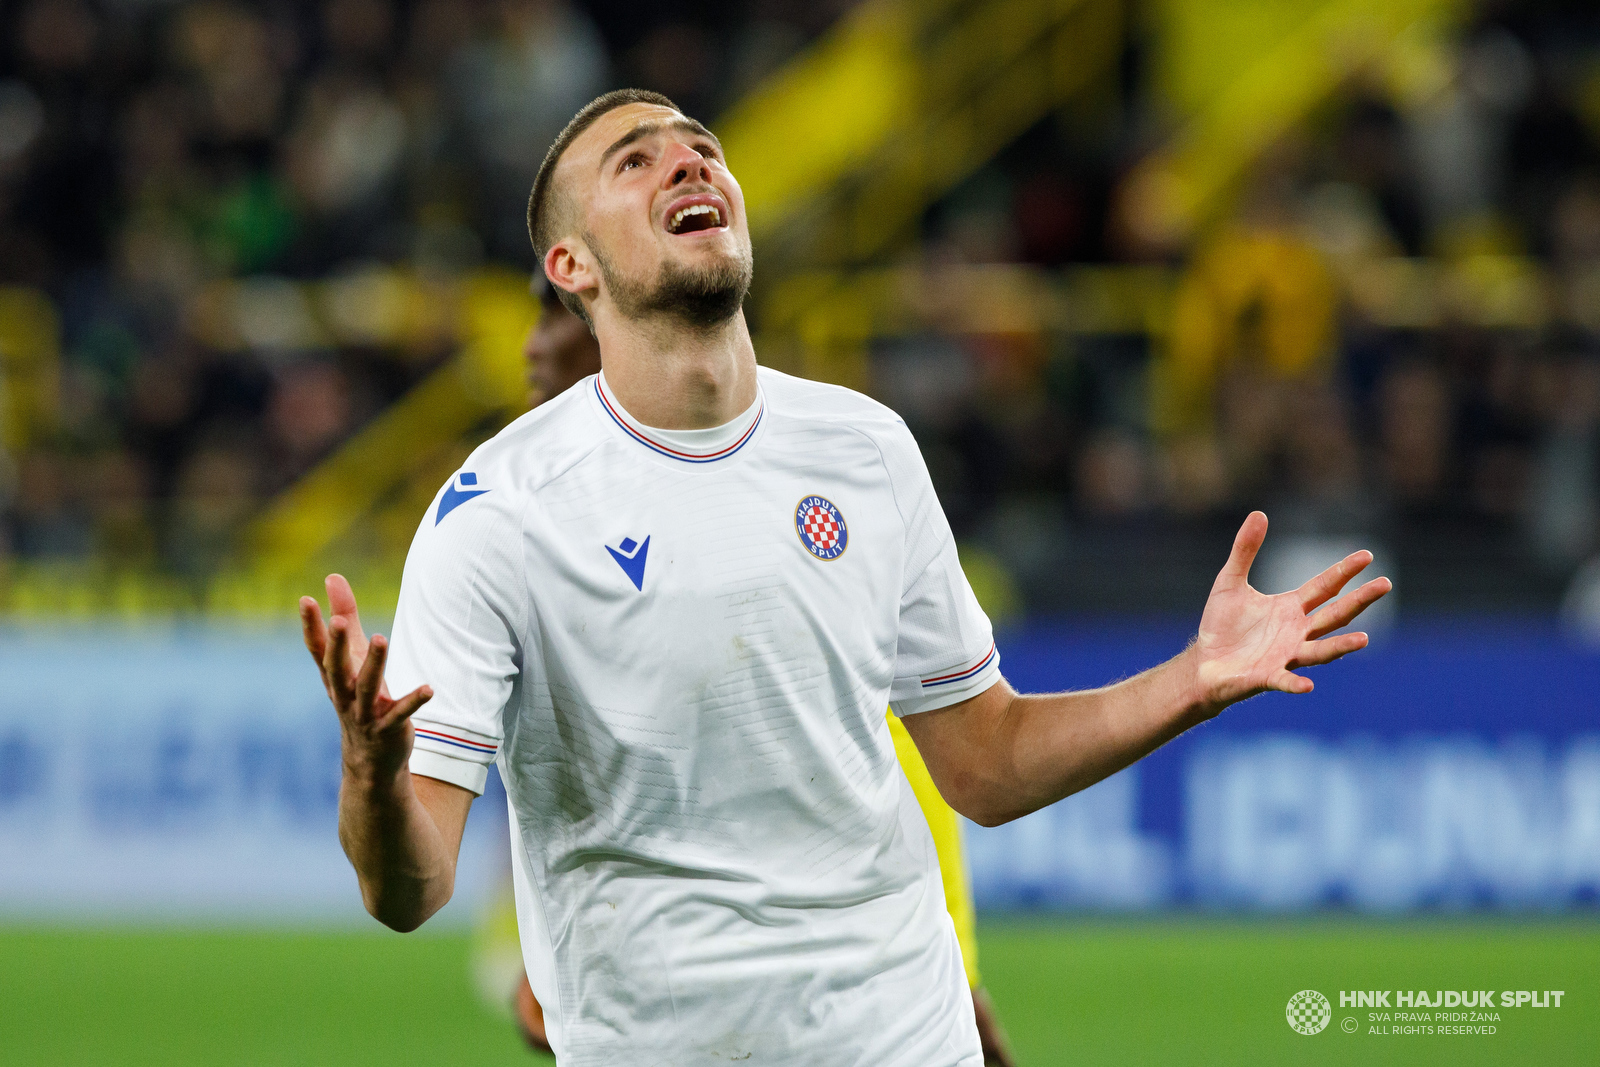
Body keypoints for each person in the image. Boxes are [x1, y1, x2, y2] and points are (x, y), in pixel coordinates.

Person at [299, 88, 1390, 1066]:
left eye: (702, 148)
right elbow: (412, 886)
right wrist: (372, 778)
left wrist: (1188, 679)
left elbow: (987, 759)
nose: (688, 162)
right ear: (570, 267)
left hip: (902, 1038)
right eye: (634, 160)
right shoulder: (494, 516)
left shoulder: (864, 447)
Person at [499, 277, 1013, 1063]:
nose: (532, 343)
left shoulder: (791, 486)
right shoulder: (512, 512)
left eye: (550, 315)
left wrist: (956, 982)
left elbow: (904, 764)